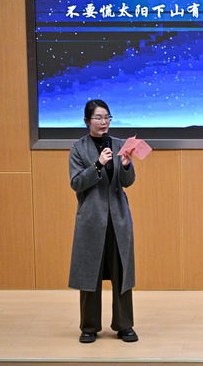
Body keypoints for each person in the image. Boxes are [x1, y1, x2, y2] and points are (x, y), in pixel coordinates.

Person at [68, 99, 138, 343]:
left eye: (107, 117)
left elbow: (127, 182)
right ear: (87, 121)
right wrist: (98, 165)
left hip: (118, 218)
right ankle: (89, 327)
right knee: (90, 273)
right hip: (91, 220)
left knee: (122, 273)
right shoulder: (78, 148)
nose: (104, 122)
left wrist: (126, 166)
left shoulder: (119, 145)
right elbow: (76, 183)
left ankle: (124, 325)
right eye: (98, 118)